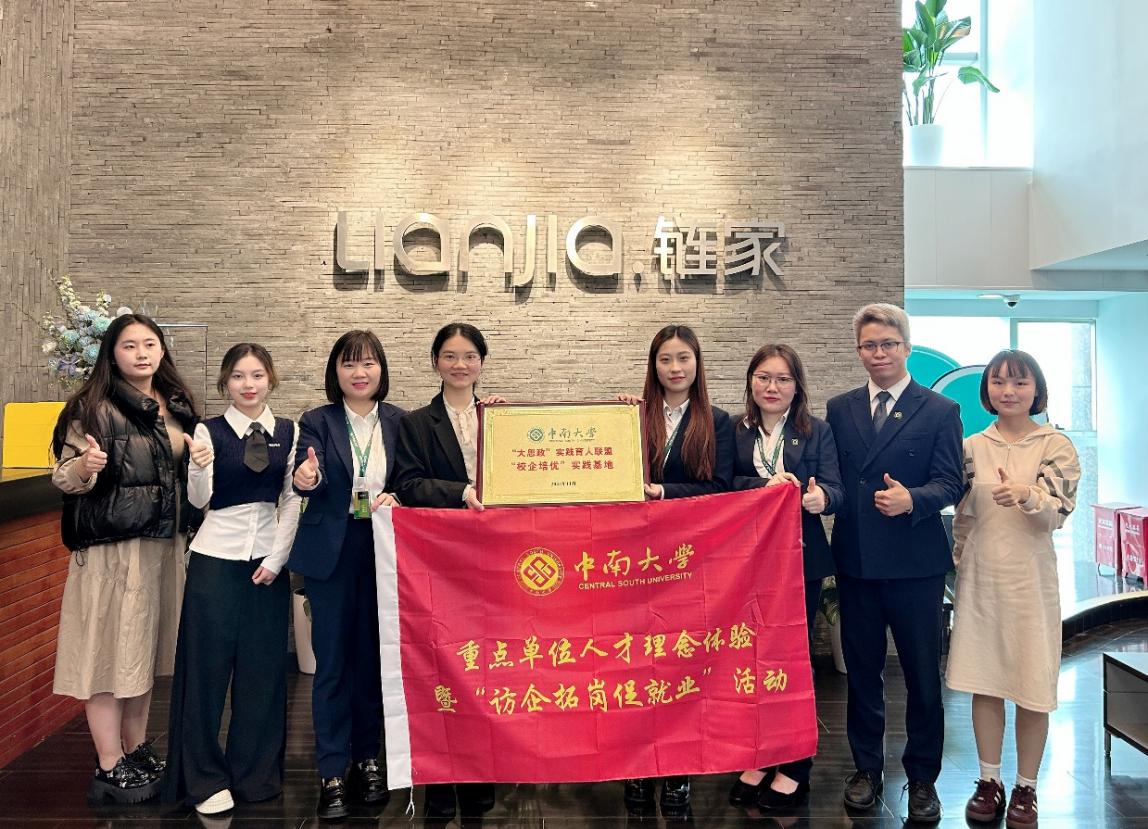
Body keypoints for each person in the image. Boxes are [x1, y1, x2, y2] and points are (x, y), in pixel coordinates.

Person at [50, 313, 198, 804]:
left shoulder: (176, 404)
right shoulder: (91, 407)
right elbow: (63, 476)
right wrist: (84, 466)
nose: (141, 353)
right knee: (107, 653)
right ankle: (109, 763)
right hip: (114, 550)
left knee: (143, 654)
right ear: (111, 353)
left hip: (163, 546)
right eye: (129, 345)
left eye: (149, 344)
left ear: (162, 349)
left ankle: (134, 750)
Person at [825, 303, 963, 824]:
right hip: (857, 563)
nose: (878, 354)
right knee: (862, 674)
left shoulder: (939, 410)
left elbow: (951, 483)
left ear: (906, 346)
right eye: (869, 345)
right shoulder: (840, 408)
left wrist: (913, 500)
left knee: (923, 676)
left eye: (888, 344)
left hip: (915, 564)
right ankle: (866, 768)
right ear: (858, 351)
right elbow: (835, 477)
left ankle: (923, 778)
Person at [163, 343, 300, 815]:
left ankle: (255, 774)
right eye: (238, 376)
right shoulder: (210, 430)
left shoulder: (289, 431)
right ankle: (203, 779)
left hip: (267, 561)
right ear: (226, 383)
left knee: (263, 672)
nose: (248, 384)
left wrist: (278, 559)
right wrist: (199, 466)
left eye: (257, 375)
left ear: (270, 379)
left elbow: (291, 499)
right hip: (215, 559)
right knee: (206, 671)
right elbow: (200, 500)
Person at [946, 351, 1079, 829]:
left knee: (1031, 685)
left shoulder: (1055, 444)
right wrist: (960, 562)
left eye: (1020, 383)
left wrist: (1026, 495)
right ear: (987, 390)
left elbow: (1058, 513)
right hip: (981, 580)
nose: (1009, 391)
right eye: (999, 382)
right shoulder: (971, 446)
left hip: (1031, 581)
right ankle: (989, 781)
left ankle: (1026, 787)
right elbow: (963, 516)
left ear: (1036, 390)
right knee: (985, 681)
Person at [616, 324, 734, 816]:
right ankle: (638, 765)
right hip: (633, 560)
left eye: (683, 357)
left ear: (697, 363)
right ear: (654, 366)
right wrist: (612, 421)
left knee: (679, 663)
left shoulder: (718, 421)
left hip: (689, 560)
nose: (675, 368)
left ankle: (679, 769)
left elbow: (721, 487)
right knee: (635, 663)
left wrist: (665, 493)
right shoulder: (633, 415)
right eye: (665, 359)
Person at [289, 330, 405, 820]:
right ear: (335, 371)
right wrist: (306, 477)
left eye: (369, 363)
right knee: (333, 662)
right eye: (349, 364)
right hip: (333, 552)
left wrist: (398, 494)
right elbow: (306, 473)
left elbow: (410, 477)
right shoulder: (317, 420)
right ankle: (332, 769)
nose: (360, 373)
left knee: (373, 660)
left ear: (381, 370)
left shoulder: (400, 421)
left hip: (384, 550)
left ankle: (369, 758)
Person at [392, 322, 503, 821]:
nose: (461, 365)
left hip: (494, 563)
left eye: (470, 356)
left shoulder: (500, 417)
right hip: (438, 565)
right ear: (435, 361)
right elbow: (409, 484)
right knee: (440, 670)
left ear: (482, 362)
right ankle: (439, 782)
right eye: (450, 356)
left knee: (488, 671)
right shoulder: (416, 423)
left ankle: (481, 778)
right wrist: (461, 493)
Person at [728, 344, 844, 812]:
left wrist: (821, 499)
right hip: (745, 563)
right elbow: (722, 484)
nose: (772, 387)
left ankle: (795, 766)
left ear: (797, 386)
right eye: (763, 377)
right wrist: (765, 487)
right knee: (751, 660)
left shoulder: (816, 431)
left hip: (801, 560)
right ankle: (759, 755)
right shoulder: (735, 430)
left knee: (793, 660)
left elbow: (835, 487)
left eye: (782, 379)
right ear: (750, 382)